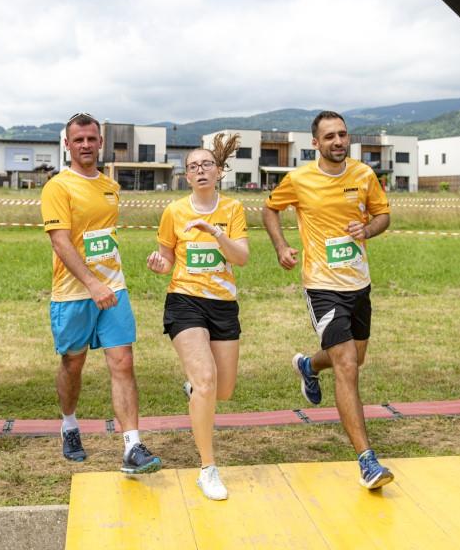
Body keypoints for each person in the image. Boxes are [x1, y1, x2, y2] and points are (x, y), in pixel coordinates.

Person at [262, 110, 394, 489]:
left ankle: (308, 365)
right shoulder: (299, 179)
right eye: (330, 136)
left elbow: (383, 215)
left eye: (343, 134)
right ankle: (367, 461)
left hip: (359, 283)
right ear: (315, 143)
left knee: (355, 357)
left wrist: (367, 228)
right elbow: (270, 209)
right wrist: (281, 246)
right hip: (322, 285)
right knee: (347, 365)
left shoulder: (364, 175)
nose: (338, 141)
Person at [41, 113, 162, 475]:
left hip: (114, 289)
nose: (86, 145)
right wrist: (91, 284)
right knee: (72, 364)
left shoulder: (111, 186)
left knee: (123, 361)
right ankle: (69, 424)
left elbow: (103, 236)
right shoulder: (57, 187)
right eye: (78, 139)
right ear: (67, 144)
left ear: (100, 142)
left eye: (91, 139)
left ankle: (132, 446)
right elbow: (60, 242)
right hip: (73, 293)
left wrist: (105, 282)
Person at [146, 134, 249, 501]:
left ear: (218, 171)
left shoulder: (233, 209)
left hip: (223, 304)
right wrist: (160, 264)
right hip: (185, 301)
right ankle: (208, 469)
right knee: (206, 380)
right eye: (193, 166)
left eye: (207, 164)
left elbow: (241, 258)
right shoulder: (174, 211)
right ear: (187, 176)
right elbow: (166, 258)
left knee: (224, 390)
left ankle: (195, 390)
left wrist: (215, 232)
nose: (200, 170)